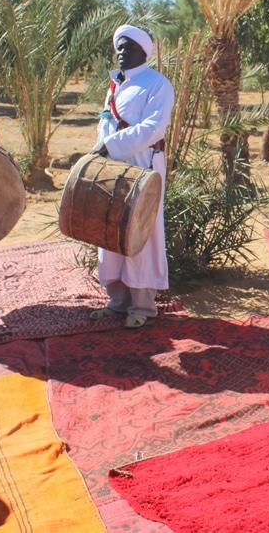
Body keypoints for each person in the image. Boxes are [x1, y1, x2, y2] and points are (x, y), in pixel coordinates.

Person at [89, 25, 174, 329]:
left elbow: (154, 128)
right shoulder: (115, 83)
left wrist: (110, 145)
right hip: (112, 167)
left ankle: (143, 306)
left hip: (143, 165)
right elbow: (105, 123)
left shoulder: (158, 84)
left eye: (129, 47)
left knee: (141, 232)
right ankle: (117, 302)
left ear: (144, 52)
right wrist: (101, 149)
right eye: (119, 47)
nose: (122, 52)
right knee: (111, 229)